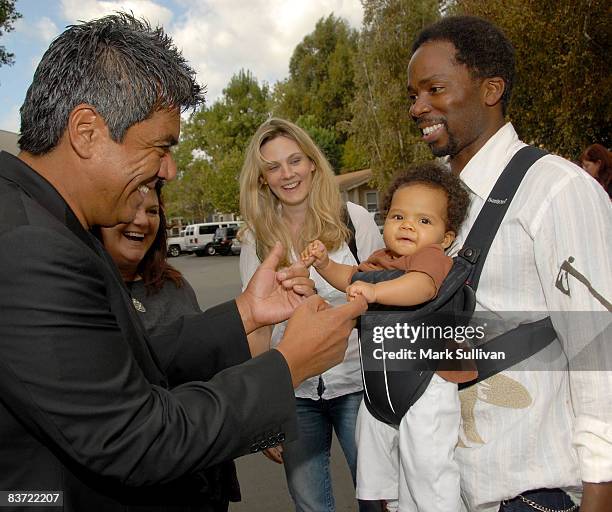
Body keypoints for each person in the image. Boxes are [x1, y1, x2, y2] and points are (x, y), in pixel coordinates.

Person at [0, 13, 367, 512]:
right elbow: (135, 438)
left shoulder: (50, 223)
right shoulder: (28, 244)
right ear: (86, 131)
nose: (169, 169)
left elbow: (124, 361)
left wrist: (245, 313)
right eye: (161, 147)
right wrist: (289, 365)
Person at [355, 14, 611, 512]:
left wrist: (600, 494)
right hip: (436, 490)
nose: (418, 107)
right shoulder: (426, 199)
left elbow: (599, 356)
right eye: (412, 94)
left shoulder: (557, 190)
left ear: (490, 89)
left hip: (525, 492)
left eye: (434, 89)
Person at [302, 162, 472, 512]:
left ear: (446, 237)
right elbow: (350, 276)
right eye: (398, 217)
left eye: (424, 221)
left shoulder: (431, 257)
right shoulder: (381, 259)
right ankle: (387, 502)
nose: (408, 225)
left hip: (424, 382)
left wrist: (375, 293)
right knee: (374, 455)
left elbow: (420, 287)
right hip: (380, 387)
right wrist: (324, 265)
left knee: (427, 464)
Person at [238, 117, 384, 512]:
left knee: (380, 499)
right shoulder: (257, 240)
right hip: (295, 393)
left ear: (313, 164)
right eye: (273, 166)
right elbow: (257, 331)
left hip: (359, 387)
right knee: (311, 506)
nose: (287, 174)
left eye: (294, 161)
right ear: (263, 178)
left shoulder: (356, 220)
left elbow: (383, 303)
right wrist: (266, 413)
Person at [96, 182, 242, 505]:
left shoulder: (175, 286)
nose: (142, 221)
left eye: (151, 211)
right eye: (131, 208)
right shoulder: (86, 296)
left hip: (203, 477)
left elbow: (214, 366)